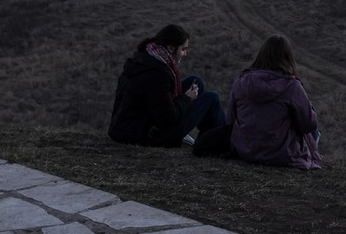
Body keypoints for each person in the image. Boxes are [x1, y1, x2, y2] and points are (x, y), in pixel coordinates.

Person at [108, 24, 225, 147]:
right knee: (212, 99)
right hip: (144, 134)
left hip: (124, 127)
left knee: (196, 82)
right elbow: (168, 117)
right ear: (170, 48)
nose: (185, 54)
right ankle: (221, 143)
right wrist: (187, 98)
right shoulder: (158, 74)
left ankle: (208, 141)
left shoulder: (145, 57)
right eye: (183, 49)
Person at [223, 34, 323, 169]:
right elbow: (308, 125)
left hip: (244, 150)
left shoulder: (241, 82)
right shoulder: (292, 86)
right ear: (288, 58)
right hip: (281, 154)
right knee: (308, 110)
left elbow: (230, 120)